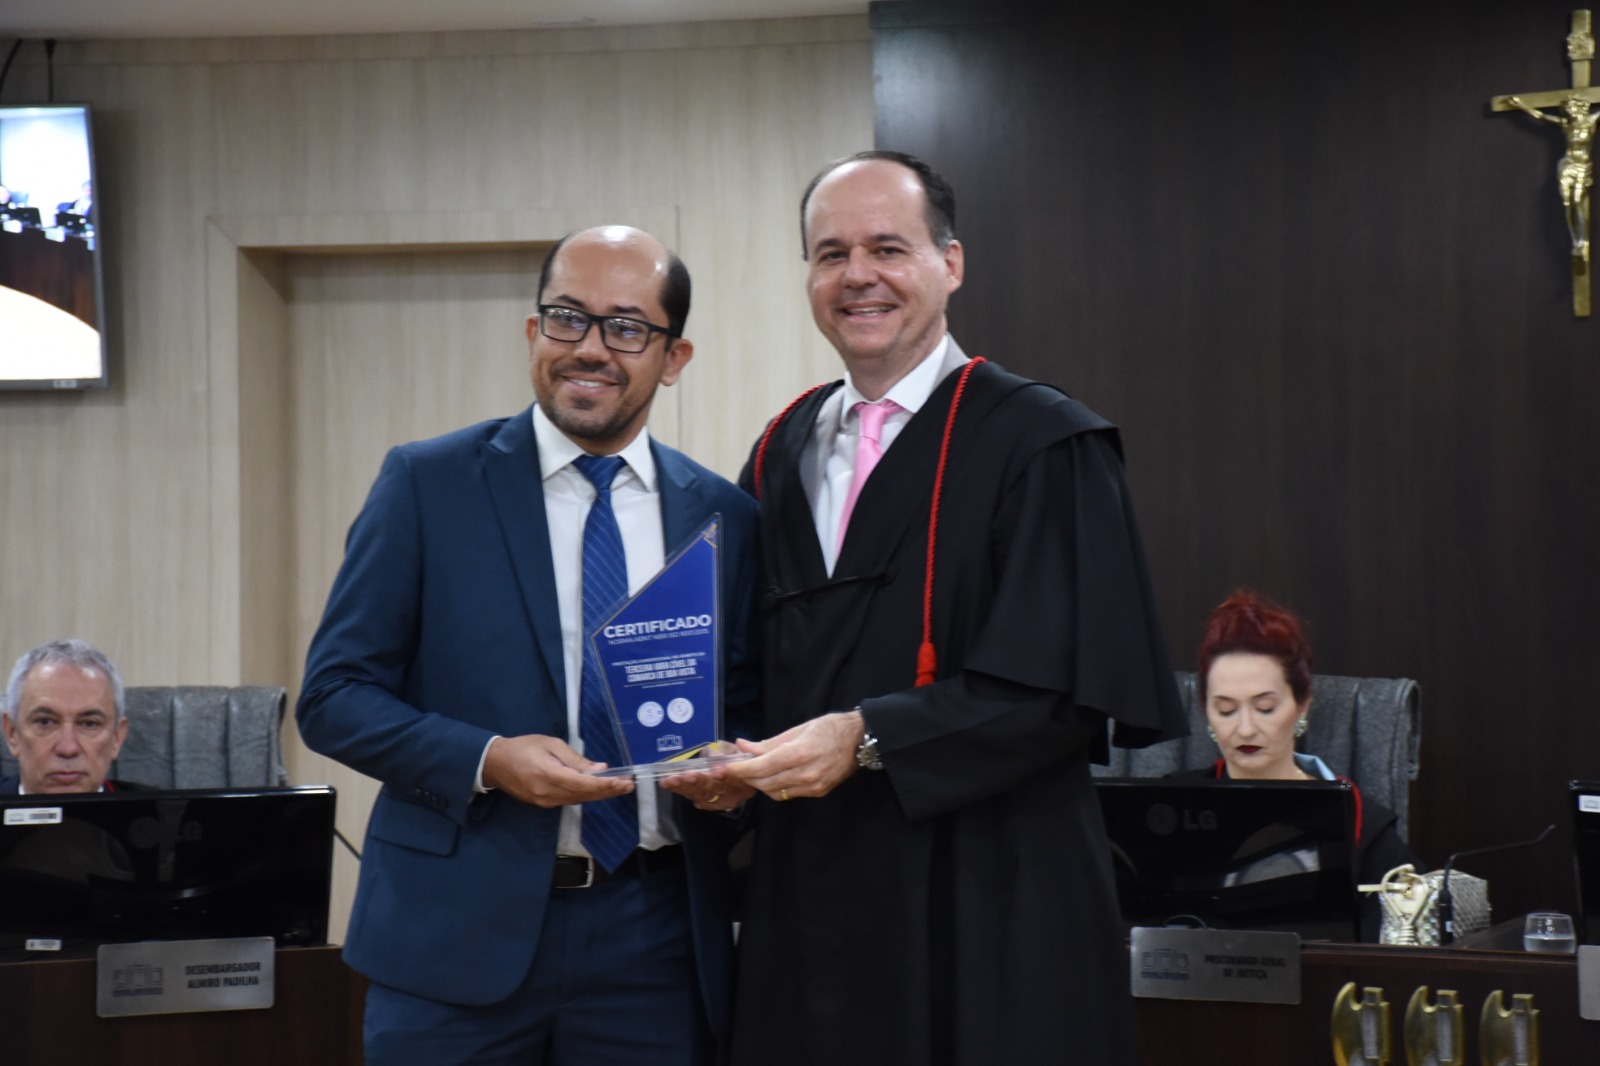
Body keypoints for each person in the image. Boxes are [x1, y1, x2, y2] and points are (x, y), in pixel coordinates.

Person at [715, 150, 1188, 1065]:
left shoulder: (1045, 441)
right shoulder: (779, 451)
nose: (858, 276)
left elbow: (1062, 692)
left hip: (989, 887)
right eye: (830, 253)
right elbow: (750, 660)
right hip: (811, 895)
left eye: (888, 247)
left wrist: (865, 736)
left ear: (951, 263)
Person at [296, 225, 759, 1065]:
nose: (589, 349)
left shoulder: (724, 515)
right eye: (565, 318)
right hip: (451, 938)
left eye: (626, 327)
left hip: (653, 942)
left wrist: (734, 783)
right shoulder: (427, 484)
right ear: (530, 332)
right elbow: (333, 699)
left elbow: (747, 699)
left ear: (675, 356)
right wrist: (488, 757)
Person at [1182, 589, 1419, 939]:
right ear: (1207, 714)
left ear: (1302, 706)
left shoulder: (1358, 821)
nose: (1245, 728)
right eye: (1226, 710)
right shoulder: (1177, 808)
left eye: (1265, 708)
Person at [1, 639, 135, 794]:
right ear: (12, 733)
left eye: (89, 724)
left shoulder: (161, 814)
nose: (68, 748)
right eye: (45, 722)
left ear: (116, 737)